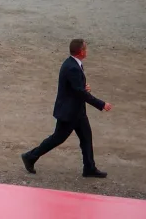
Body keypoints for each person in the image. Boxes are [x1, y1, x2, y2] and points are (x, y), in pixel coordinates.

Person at [21, 39, 113, 178]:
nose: (86, 51)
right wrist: (101, 104)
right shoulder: (73, 68)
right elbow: (80, 93)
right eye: (85, 49)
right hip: (69, 112)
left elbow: (76, 88)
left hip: (77, 111)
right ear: (81, 52)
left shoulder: (73, 64)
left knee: (86, 138)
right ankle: (30, 156)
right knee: (57, 138)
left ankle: (89, 168)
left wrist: (83, 87)